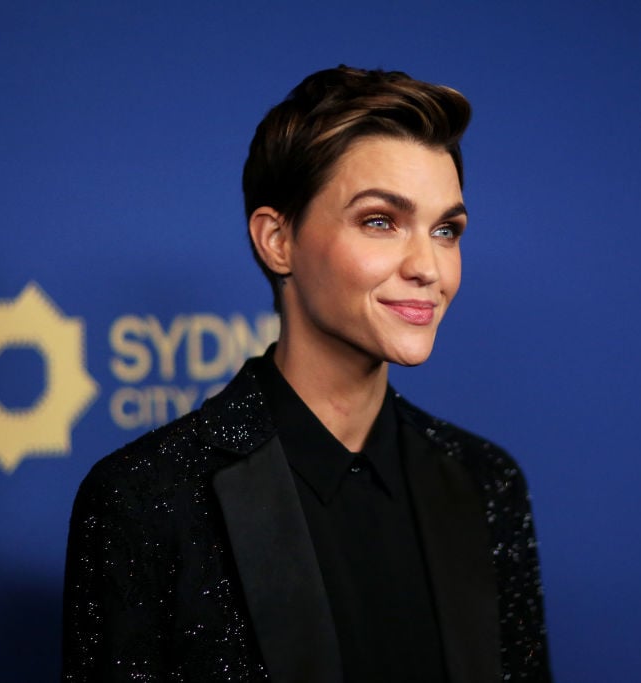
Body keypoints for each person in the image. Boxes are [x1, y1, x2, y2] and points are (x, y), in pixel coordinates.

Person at [62, 65, 552, 682]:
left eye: (445, 230)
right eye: (380, 221)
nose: (429, 266)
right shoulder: (147, 497)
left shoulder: (486, 483)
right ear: (277, 240)